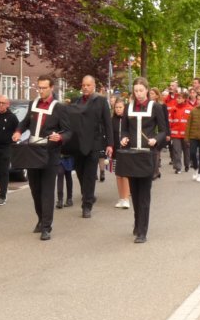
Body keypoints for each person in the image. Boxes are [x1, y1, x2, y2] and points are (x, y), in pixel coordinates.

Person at [12, 76, 71, 241]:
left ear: (51, 88)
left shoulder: (59, 108)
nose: (41, 90)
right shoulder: (33, 104)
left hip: (50, 154)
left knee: (47, 191)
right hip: (32, 152)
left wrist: (60, 138)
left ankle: (46, 227)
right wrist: (18, 131)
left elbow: (68, 131)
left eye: (44, 88)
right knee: (35, 190)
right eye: (39, 87)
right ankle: (40, 218)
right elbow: (24, 122)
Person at [119, 78, 168, 243]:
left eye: (141, 90)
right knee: (135, 192)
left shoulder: (156, 107)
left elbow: (163, 130)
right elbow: (124, 129)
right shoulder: (128, 107)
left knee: (144, 194)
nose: (138, 94)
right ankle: (137, 222)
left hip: (147, 155)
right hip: (132, 155)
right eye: (136, 90)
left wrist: (155, 139)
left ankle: (142, 232)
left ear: (147, 90)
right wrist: (124, 137)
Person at [71, 75, 113, 218]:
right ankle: (87, 194)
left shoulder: (100, 101)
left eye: (88, 85)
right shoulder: (76, 101)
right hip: (78, 144)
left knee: (89, 174)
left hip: (94, 143)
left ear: (93, 85)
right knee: (80, 173)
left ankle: (87, 205)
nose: (85, 87)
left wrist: (110, 144)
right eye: (83, 85)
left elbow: (108, 123)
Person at [111, 98, 131, 209]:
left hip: (126, 150)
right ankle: (121, 198)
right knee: (118, 175)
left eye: (120, 107)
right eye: (116, 107)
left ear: (125, 108)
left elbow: (131, 132)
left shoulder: (128, 119)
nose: (118, 109)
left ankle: (126, 198)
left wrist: (127, 138)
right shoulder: (112, 120)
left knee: (125, 175)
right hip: (116, 151)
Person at [166, 90, 192, 173]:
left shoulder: (190, 109)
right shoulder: (173, 109)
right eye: (177, 98)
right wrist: (168, 132)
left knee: (187, 151)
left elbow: (192, 123)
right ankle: (178, 168)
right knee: (176, 151)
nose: (177, 99)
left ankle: (187, 165)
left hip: (186, 135)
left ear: (184, 99)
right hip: (175, 135)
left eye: (180, 98)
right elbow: (170, 121)